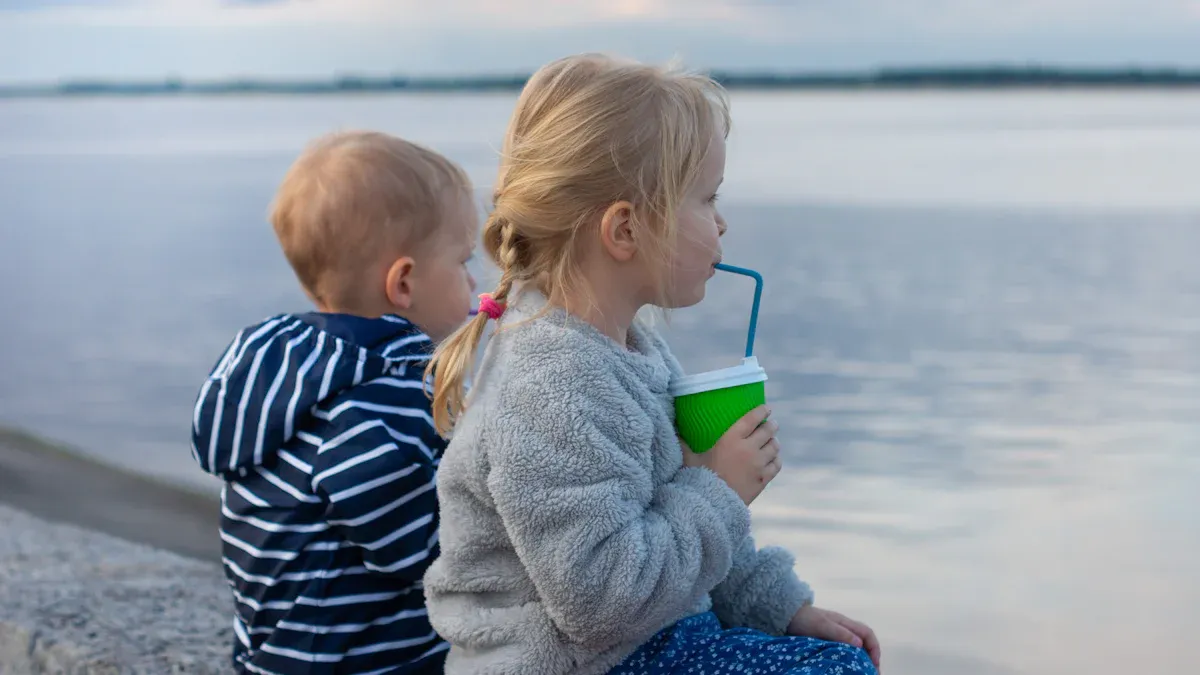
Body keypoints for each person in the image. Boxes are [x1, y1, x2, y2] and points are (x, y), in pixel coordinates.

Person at [422, 53, 881, 675]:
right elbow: (600, 602)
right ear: (625, 230)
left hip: (645, 641)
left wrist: (780, 610)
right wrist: (720, 486)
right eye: (705, 199)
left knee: (833, 656)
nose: (721, 222)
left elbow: (678, 518)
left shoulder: (627, 346)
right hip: (573, 662)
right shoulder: (552, 385)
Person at [191, 130, 477, 674]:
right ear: (404, 283)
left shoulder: (292, 375)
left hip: (277, 655)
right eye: (463, 261)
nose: (473, 280)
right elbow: (417, 551)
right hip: (365, 664)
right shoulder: (373, 400)